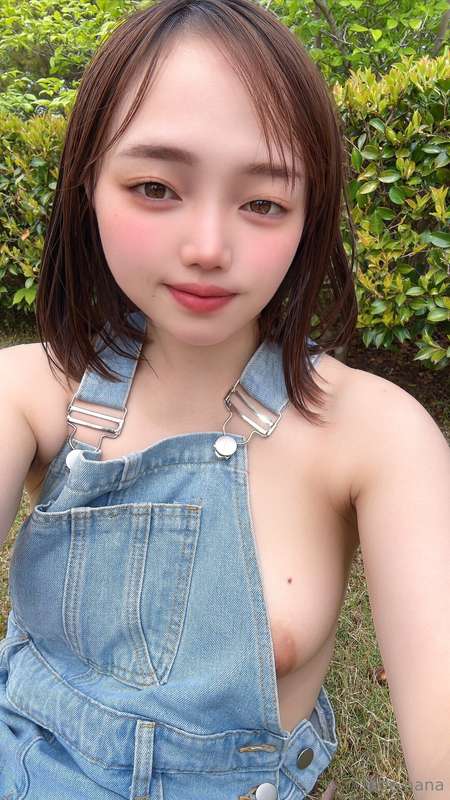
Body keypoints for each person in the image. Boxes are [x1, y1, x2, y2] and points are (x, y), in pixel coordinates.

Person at [0, 0, 449, 798]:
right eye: (154, 187)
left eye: (263, 202)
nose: (208, 248)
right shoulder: (28, 391)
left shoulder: (379, 436)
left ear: (309, 217)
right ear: (88, 187)